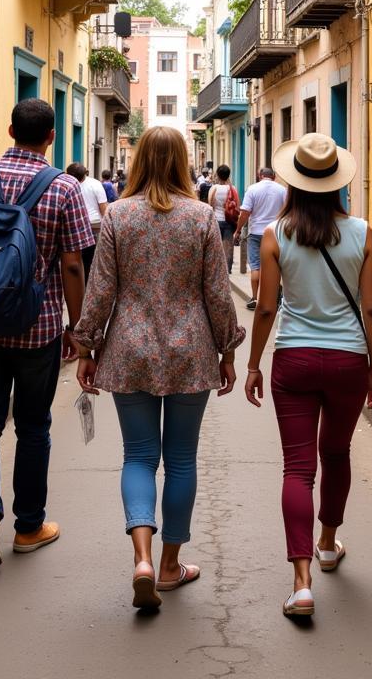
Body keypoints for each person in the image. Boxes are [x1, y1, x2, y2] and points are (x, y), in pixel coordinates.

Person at [72, 126, 244, 611]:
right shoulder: (200, 217)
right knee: (182, 459)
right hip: (190, 350)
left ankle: (142, 560)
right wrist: (228, 350)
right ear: (184, 162)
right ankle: (170, 566)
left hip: (128, 350)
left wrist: (86, 347)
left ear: (141, 159)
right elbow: (217, 291)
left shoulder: (118, 216)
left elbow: (100, 288)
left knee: (139, 456)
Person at [0, 99, 92, 571]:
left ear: (9, 130)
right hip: (37, 329)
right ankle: (28, 527)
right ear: (50, 137)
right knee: (33, 426)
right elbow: (71, 263)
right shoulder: (64, 188)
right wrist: (77, 329)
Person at [244, 134, 372, 618]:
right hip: (347, 361)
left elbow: (266, 308)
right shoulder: (363, 232)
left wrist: (252, 365)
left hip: (294, 361)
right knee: (337, 452)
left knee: (297, 468)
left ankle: (301, 583)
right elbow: (370, 306)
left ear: (295, 184)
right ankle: (328, 542)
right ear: (337, 184)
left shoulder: (275, 235)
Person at [233, 166, 286, 310]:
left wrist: (238, 230)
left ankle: (255, 298)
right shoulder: (282, 190)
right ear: (273, 177)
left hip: (255, 233)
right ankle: (271, 298)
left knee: (256, 266)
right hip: (275, 234)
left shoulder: (252, 189)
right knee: (274, 266)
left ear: (260, 176)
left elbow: (245, 213)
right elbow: (288, 212)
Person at [68, 163, 107, 279]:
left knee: (75, 258)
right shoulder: (96, 184)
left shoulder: (67, 184)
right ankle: (87, 282)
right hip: (94, 225)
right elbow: (103, 208)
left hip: (75, 226)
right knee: (90, 259)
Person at [207, 164, 238, 272]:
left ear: (218, 175)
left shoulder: (214, 188)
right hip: (229, 221)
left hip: (216, 220)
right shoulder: (233, 188)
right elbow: (237, 206)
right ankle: (227, 270)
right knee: (228, 246)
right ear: (228, 175)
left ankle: (217, 269)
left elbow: (209, 205)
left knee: (216, 246)